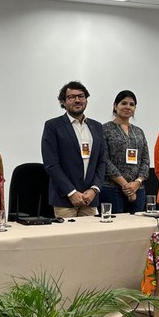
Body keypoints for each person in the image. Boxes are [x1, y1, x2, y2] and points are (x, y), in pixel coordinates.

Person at [41, 81, 107, 217]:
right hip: (64, 199)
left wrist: (94, 189)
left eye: (81, 96)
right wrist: (71, 192)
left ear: (86, 100)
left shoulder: (97, 127)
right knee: (67, 232)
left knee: (92, 232)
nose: (77, 100)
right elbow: (51, 164)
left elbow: (102, 162)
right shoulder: (53, 126)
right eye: (71, 97)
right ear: (63, 102)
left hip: (90, 199)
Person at [99, 91, 150, 213]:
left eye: (132, 104)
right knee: (115, 224)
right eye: (124, 103)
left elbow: (145, 159)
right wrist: (126, 186)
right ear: (115, 106)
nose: (128, 107)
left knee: (137, 223)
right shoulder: (104, 129)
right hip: (112, 188)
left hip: (138, 189)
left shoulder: (139, 131)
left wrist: (137, 183)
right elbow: (104, 159)